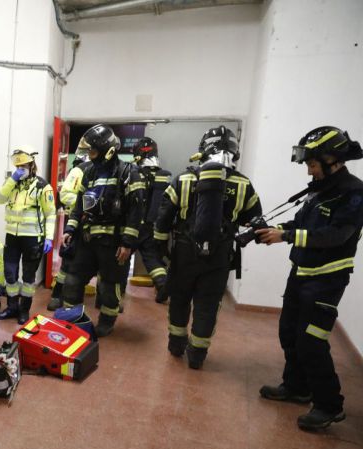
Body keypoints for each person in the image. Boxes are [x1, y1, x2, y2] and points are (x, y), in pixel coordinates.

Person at [256, 126, 363, 430]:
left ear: (333, 160)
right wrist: (272, 230)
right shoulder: (318, 189)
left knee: (312, 342)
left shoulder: (354, 192)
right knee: (289, 333)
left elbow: (336, 235)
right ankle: (297, 387)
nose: (309, 169)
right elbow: (303, 223)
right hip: (300, 274)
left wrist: (286, 235)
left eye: (312, 163)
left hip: (327, 279)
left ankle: (329, 406)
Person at [155, 126, 262, 369]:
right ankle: (197, 356)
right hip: (219, 257)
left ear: (203, 149)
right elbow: (256, 221)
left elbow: (162, 219)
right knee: (207, 305)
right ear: (234, 152)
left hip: (184, 254)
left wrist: (161, 248)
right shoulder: (244, 185)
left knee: (180, 299)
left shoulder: (183, 180)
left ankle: (176, 345)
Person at [61, 124, 145, 337]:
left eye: (93, 151)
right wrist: (70, 228)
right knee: (72, 280)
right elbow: (79, 204)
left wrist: (127, 243)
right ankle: (72, 319)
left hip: (113, 242)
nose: (90, 156)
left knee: (109, 286)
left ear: (108, 150)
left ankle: (106, 321)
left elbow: (137, 211)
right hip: (87, 239)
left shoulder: (128, 172)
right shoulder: (88, 172)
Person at [0, 146, 56, 324]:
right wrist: (11, 180)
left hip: (33, 238)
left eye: (23, 167)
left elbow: (50, 213)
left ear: (31, 166)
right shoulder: (12, 185)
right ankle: (12, 307)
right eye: (17, 168)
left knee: (29, 278)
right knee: (10, 274)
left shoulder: (42, 186)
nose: (20, 170)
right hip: (12, 237)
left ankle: (24, 310)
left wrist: (49, 237)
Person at [133, 137, 173, 303]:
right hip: (154, 227)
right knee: (152, 258)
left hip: (133, 224)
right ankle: (163, 286)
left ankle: (117, 295)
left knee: (121, 261)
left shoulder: (133, 173)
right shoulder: (165, 175)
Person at [48, 155, 88, 311]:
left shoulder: (106, 172)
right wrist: (87, 203)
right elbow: (65, 195)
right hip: (76, 224)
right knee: (67, 262)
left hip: (96, 226)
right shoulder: (78, 171)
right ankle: (57, 296)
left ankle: (77, 299)